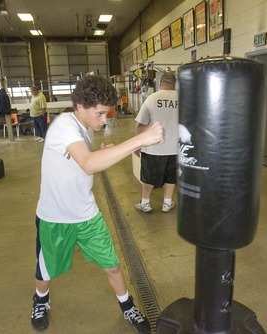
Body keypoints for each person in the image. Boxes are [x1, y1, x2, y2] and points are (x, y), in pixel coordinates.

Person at [30, 75, 163, 333]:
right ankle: (40, 300)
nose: (105, 120)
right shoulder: (64, 125)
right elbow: (88, 163)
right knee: (46, 269)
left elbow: (86, 160)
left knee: (111, 264)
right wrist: (140, 139)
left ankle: (127, 305)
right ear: (80, 107)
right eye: (100, 114)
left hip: (86, 214)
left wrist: (104, 151)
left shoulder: (84, 128)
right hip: (55, 216)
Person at [134, 71, 179, 213]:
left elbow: (140, 125)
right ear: (175, 84)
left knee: (148, 177)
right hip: (175, 148)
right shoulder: (184, 99)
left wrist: (137, 144)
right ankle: (167, 203)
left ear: (160, 84)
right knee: (170, 177)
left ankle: (145, 203)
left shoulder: (152, 99)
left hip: (152, 148)